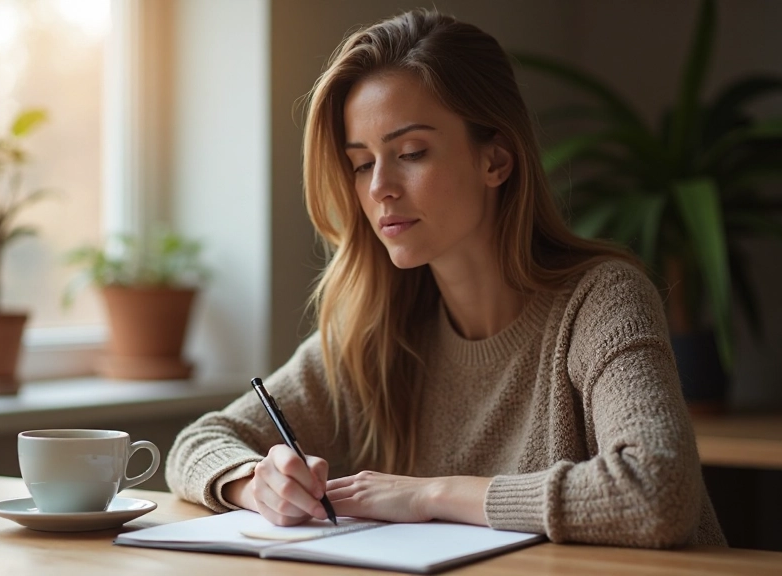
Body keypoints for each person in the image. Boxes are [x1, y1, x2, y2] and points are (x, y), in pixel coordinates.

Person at [165, 9, 726, 548]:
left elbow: (658, 492)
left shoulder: (602, 301)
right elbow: (197, 443)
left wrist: (433, 494)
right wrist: (253, 482)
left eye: (410, 152)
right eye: (362, 163)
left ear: (496, 161)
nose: (380, 187)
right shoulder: (378, 331)